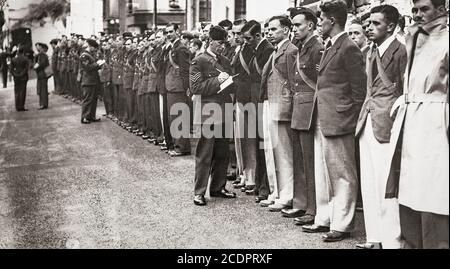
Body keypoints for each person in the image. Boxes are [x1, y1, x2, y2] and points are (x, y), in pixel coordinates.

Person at [301, 0, 366, 243]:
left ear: (332, 21)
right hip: (324, 116)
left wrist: (351, 119)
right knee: (325, 172)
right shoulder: (331, 46)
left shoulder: (348, 47)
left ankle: (343, 224)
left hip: (339, 119)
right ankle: (326, 218)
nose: (319, 23)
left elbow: (359, 90)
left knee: (342, 174)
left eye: (321, 19)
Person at [386, 0, 449, 249]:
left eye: (424, 9)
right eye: (414, 10)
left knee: (435, 193)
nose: (417, 15)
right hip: (411, 120)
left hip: (436, 122)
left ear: (441, 10)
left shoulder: (446, 39)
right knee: (408, 191)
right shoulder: (412, 38)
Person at [355, 4, 406, 249]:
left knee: (387, 184)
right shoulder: (371, 50)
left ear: (392, 26)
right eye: (369, 23)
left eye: (376, 24)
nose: (369, 27)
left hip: (388, 122)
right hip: (368, 120)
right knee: (369, 182)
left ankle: (392, 240)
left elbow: (405, 91)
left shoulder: (401, 51)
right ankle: (374, 237)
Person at [189, 25, 236, 206]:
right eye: (219, 43)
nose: (222, 46)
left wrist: (230, 81)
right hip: (208, 110)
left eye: (224, 43)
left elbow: (231, 83)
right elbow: (196, 88)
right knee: (205, 152)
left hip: (224, 109)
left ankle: (218, 187)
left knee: (223, 151)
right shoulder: (199, 60)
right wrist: (218, 80)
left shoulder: (224, 60)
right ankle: (199, 192)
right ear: (210, 41)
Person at [287, 8, 323, 226]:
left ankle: (313, 208)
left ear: (310, 25)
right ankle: (303, 204)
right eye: (293, 26)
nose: (295, 29)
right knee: (300, 161)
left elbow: (322, 82)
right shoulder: (302, 47)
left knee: (310, 162)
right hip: (300, 108)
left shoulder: (317, 48)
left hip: (311, 110)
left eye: (298, 25)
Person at [260, 16, 298, 212]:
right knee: (273, 152)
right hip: (272, 104)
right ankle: (276, 191)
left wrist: (290, 108)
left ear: (286, 30)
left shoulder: (290, 50)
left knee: (284, 154)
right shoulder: (277, 50)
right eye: (268, 29)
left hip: (282, 107)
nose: (269, 32)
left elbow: (293, 83)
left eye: (274, 29)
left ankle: (287, 194)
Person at [241, 20, 275, 203]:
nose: (245, 41)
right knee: (257, 144)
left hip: (262, 101)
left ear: (257, 36)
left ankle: (265, 186)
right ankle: (260, 184)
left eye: (248, 38)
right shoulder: (255, 49)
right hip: (254, 101)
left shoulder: (267, 50)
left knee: (263, 146)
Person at [165, 22, 192, 157]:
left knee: (179, 117)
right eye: (167, 32)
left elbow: (185, 70)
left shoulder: (180, 48)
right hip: (172, 87)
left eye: (171, 31)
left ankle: (181, 147)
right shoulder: (173, 47)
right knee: (174, 117)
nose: (169, 34)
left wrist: (187, 88)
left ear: (177, 31)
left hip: (178, 88)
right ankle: (177, 144)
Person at [80, 39, 102, 124]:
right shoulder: (84, 55)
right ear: (90, 46)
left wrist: (99, 64)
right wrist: (97, 64)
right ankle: (85, 117)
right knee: (88, 99)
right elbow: (87, 67)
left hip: (93, 80)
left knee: (94, 99)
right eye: (94, 47)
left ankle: (91, 116)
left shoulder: (90, 55)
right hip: (88, 81)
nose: (95, 49)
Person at [9, 47, 30, 112]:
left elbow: (11, 69)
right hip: (23, 77)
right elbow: (26, 69)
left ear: (18, 52)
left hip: (16, 77)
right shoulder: (25, 59)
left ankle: (17, 106)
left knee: (17, 91)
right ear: (23, 52)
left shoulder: (13, 59)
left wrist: (15, 75)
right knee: (22, 92)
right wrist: (21, 74)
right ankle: (21, 106)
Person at [34, 42, 50, 110]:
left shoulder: (42, 55)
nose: (37, 48)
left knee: (42, 89)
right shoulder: (41, 55)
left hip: (42, 73)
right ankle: (43, 103)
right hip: (41, 74)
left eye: (37, 46)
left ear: (41, 47)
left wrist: (36, 67)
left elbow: (42, 64)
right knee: (42, 89)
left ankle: (43, 104)